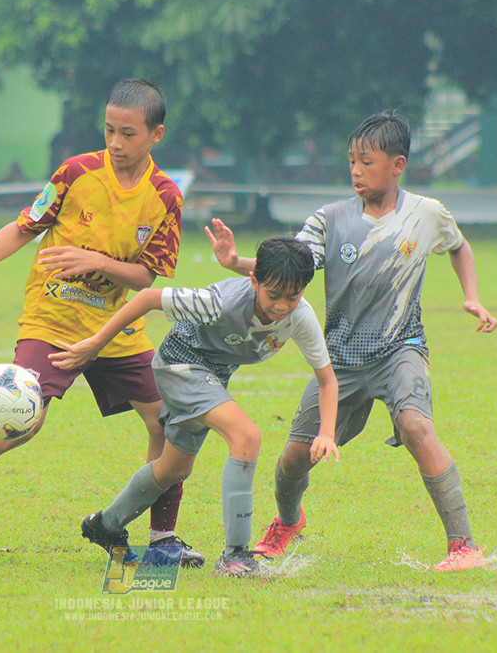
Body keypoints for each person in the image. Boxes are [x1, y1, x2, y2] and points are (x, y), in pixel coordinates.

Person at [0, 78, 205, 566]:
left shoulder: (165, 196)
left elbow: (147, 276)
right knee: (24, 421)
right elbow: (26, 226)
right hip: (53, 316)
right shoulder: (77, 172)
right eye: (109, 130)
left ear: (156, 135)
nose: (115, 143)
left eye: (128, 133)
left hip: (117, 326)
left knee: (169, 424)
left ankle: (163, 540)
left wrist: (98, 261)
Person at [207, 110, 497, 572]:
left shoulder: (426, 213)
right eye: (351, 162)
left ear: (398, 164)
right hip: (339, 361)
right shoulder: (330, 220)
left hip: (401, 348)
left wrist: (472, 297)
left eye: (367, 161)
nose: (356, 171)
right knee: (292, 461)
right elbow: (290, 265)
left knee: (417, 428)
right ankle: (288, 522)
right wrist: (237, 262)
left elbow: (458, 245)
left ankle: (463, 545)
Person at [51, 237, 338, 577]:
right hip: (180, 366)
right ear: (254, 281)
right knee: (246, 436)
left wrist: (326, 432)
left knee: (173, 469)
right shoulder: (218, 303)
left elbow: (327, 380)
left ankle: (106, 524)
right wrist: (96, 343)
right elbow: (147, 297)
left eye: (293, 296)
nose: (281, 306)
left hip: (212, 377)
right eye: (273, 295)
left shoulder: (300, 317)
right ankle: (235, 555)